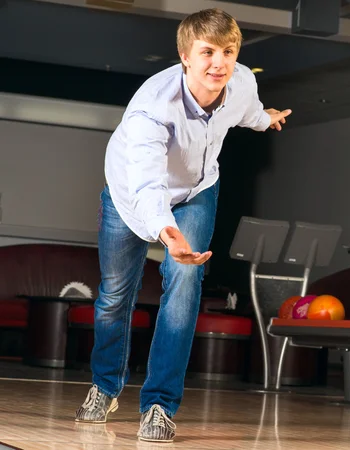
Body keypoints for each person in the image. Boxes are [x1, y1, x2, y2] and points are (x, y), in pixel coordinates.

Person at [73, 8, 291, 443]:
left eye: (228, 52)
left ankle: (159, 404)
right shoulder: (152, 110)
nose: (219, 63)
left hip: (195, 192)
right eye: (208, 52)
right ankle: (105, 385)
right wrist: (167, 233)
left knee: (185, 286)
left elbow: (246, 112)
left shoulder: (241, 81)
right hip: (130, 196)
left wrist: (267, 119)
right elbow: (148, 182)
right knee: (116, 294)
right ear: (184, 56)